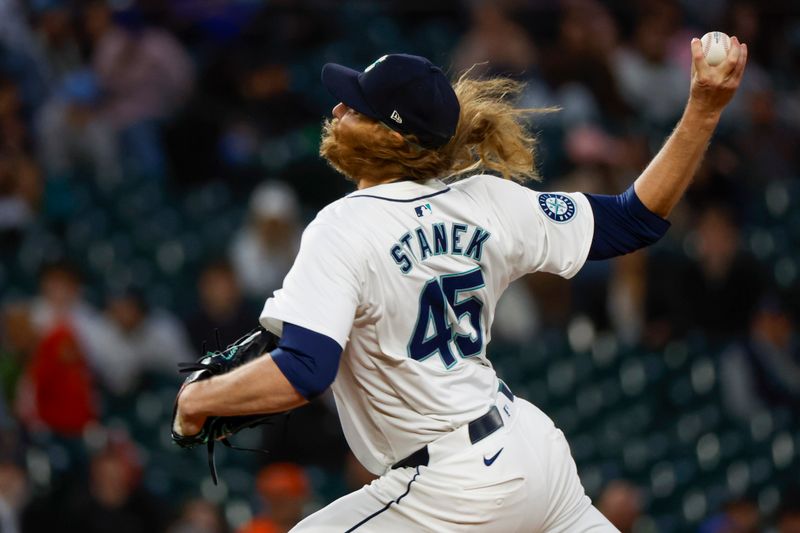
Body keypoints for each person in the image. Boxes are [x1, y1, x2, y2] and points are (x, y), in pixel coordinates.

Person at [174, 37, 748, 531]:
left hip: (454, 487)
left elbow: (305, 370)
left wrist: (199, 400)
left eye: (359, 106)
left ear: (395, 139)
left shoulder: (342, 226)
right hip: (532, 455)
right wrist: (702, 109)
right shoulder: (486, 199)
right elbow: (632, 220)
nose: (339, 107)